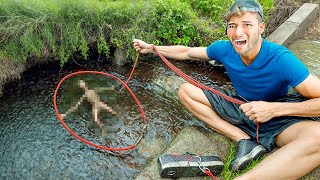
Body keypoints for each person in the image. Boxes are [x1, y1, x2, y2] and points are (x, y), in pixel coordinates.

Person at [133, 0, 320, 179]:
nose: (238, 32)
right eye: (232, 26)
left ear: (261, 28)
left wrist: (273, 109)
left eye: (247, 24)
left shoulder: (281, 59)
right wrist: (152, 48)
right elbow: (187, 52)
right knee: (186, 91)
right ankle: (243, 140)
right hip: (240, 107)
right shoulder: (224, 49)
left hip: (277, 118)